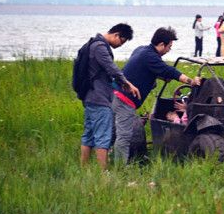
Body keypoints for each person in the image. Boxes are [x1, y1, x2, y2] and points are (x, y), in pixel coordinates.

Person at [112, 26, 201, 164]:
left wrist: (158, 76)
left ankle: (113, 157)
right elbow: (169, 71)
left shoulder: (141, 50)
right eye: (169, 47)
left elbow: (144, 69)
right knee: (124, 135)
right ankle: (119, 167)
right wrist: (191, 82)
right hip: (124, 98)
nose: (169, 50)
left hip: (115, 94)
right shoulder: (150, 56)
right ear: (161, 45)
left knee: (115, 130)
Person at [79, 23, 140, 169]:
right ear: (116, 35)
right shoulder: (100, 47)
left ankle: (84, 168)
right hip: (99, 97)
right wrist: (126, 83)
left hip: (90, 96)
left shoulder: (91, 44)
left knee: (89, 134)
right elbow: (111, 67)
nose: (120, 45)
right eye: (122, 41)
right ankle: (102, 174)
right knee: (103, 136)